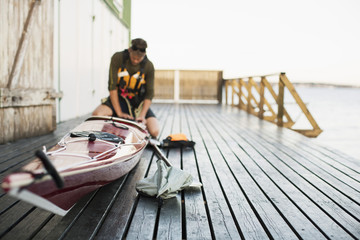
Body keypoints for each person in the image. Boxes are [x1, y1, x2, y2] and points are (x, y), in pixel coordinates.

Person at [92, 38, 159, 137]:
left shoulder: (149, 66)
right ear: (129, 50)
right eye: (133, 58)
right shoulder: (117, 58)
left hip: (138, 104)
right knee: (97, 115)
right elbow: (112, 86)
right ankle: (111, 130)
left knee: (155, 131)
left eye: (139, 59)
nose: (135, 61)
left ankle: (139, 133)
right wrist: (119, 113)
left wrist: (142, 115)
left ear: (144, 55)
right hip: (120, 100)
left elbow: (149, 94)